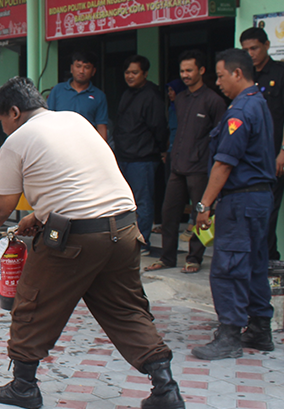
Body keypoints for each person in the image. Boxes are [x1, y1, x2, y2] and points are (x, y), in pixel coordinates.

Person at [0, 76, 184, 409]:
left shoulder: (17, 141)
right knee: (125, 308)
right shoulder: (75, 120)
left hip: (75, 237)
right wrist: (40, 214)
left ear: (14, 112)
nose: (2, 126)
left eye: (1, 119)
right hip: (124, 228)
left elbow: (2, 206)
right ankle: (164, 385)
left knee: (33, 300)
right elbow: (76, 179)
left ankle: (23, 386)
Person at [192, 49, 276, 360]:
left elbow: (224, 164)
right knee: (253, 263)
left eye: (221, 76)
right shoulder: (259, 103)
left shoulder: (240, 111)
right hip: (259, 199)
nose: (218, 82)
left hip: (240, 200)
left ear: (237, 74)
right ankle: (259, 328)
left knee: (229, 266)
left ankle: (230, 334)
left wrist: (204, 205)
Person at [146, 52, 226, 274]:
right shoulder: (179, 99)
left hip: (200, 168)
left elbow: (220, 137)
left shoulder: (213, 100)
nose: (185, 75)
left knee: (200, 216)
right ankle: (167, 258)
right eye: (182, 71)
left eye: (189, 70)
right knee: (169, 214)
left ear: (201, 71)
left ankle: (194, 258)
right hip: (177, 166)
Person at [240, 27, 284, 262]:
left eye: (254, 48)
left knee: (268, 211)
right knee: (252, 211)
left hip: (274, 155)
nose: (251, 54)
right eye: (245, 50)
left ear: (267, 45)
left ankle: (265, 260)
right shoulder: (244, 74)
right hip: (248, 156)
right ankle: (264, 259)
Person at [113, 55, 166, 253]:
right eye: (127, 72)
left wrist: (162, 150)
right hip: (124, 156)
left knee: (142, 203)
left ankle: (142, 241)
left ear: (145, 73)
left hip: (143, 158)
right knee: (124, 202)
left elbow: (158, 127)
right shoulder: (127, 93)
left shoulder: (152, 95)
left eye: (135, 72)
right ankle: (126, 240)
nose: (130, 76)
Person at [46, 52, 109, 140]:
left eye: (86, 67)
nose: (81, 71)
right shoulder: (57, 90)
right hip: (59, 142)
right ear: (72, 68)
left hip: (86, 144)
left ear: (93, 71)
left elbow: (101, 126)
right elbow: (47, 119)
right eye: (78, 66)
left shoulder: (99, 96)